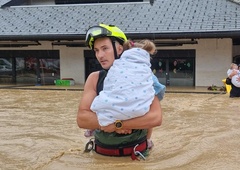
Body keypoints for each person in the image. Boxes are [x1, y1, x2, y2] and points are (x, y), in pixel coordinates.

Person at [77, 24, 162, 159]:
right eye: (96, 50)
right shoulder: (94, 78)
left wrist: (119, 124)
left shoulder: (144, 76)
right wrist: (116, 125)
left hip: (135, 157)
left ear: (119, 49)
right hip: (101, 156)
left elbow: (155, 117)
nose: (100, 55)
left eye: (105, 49)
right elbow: (82, 119)